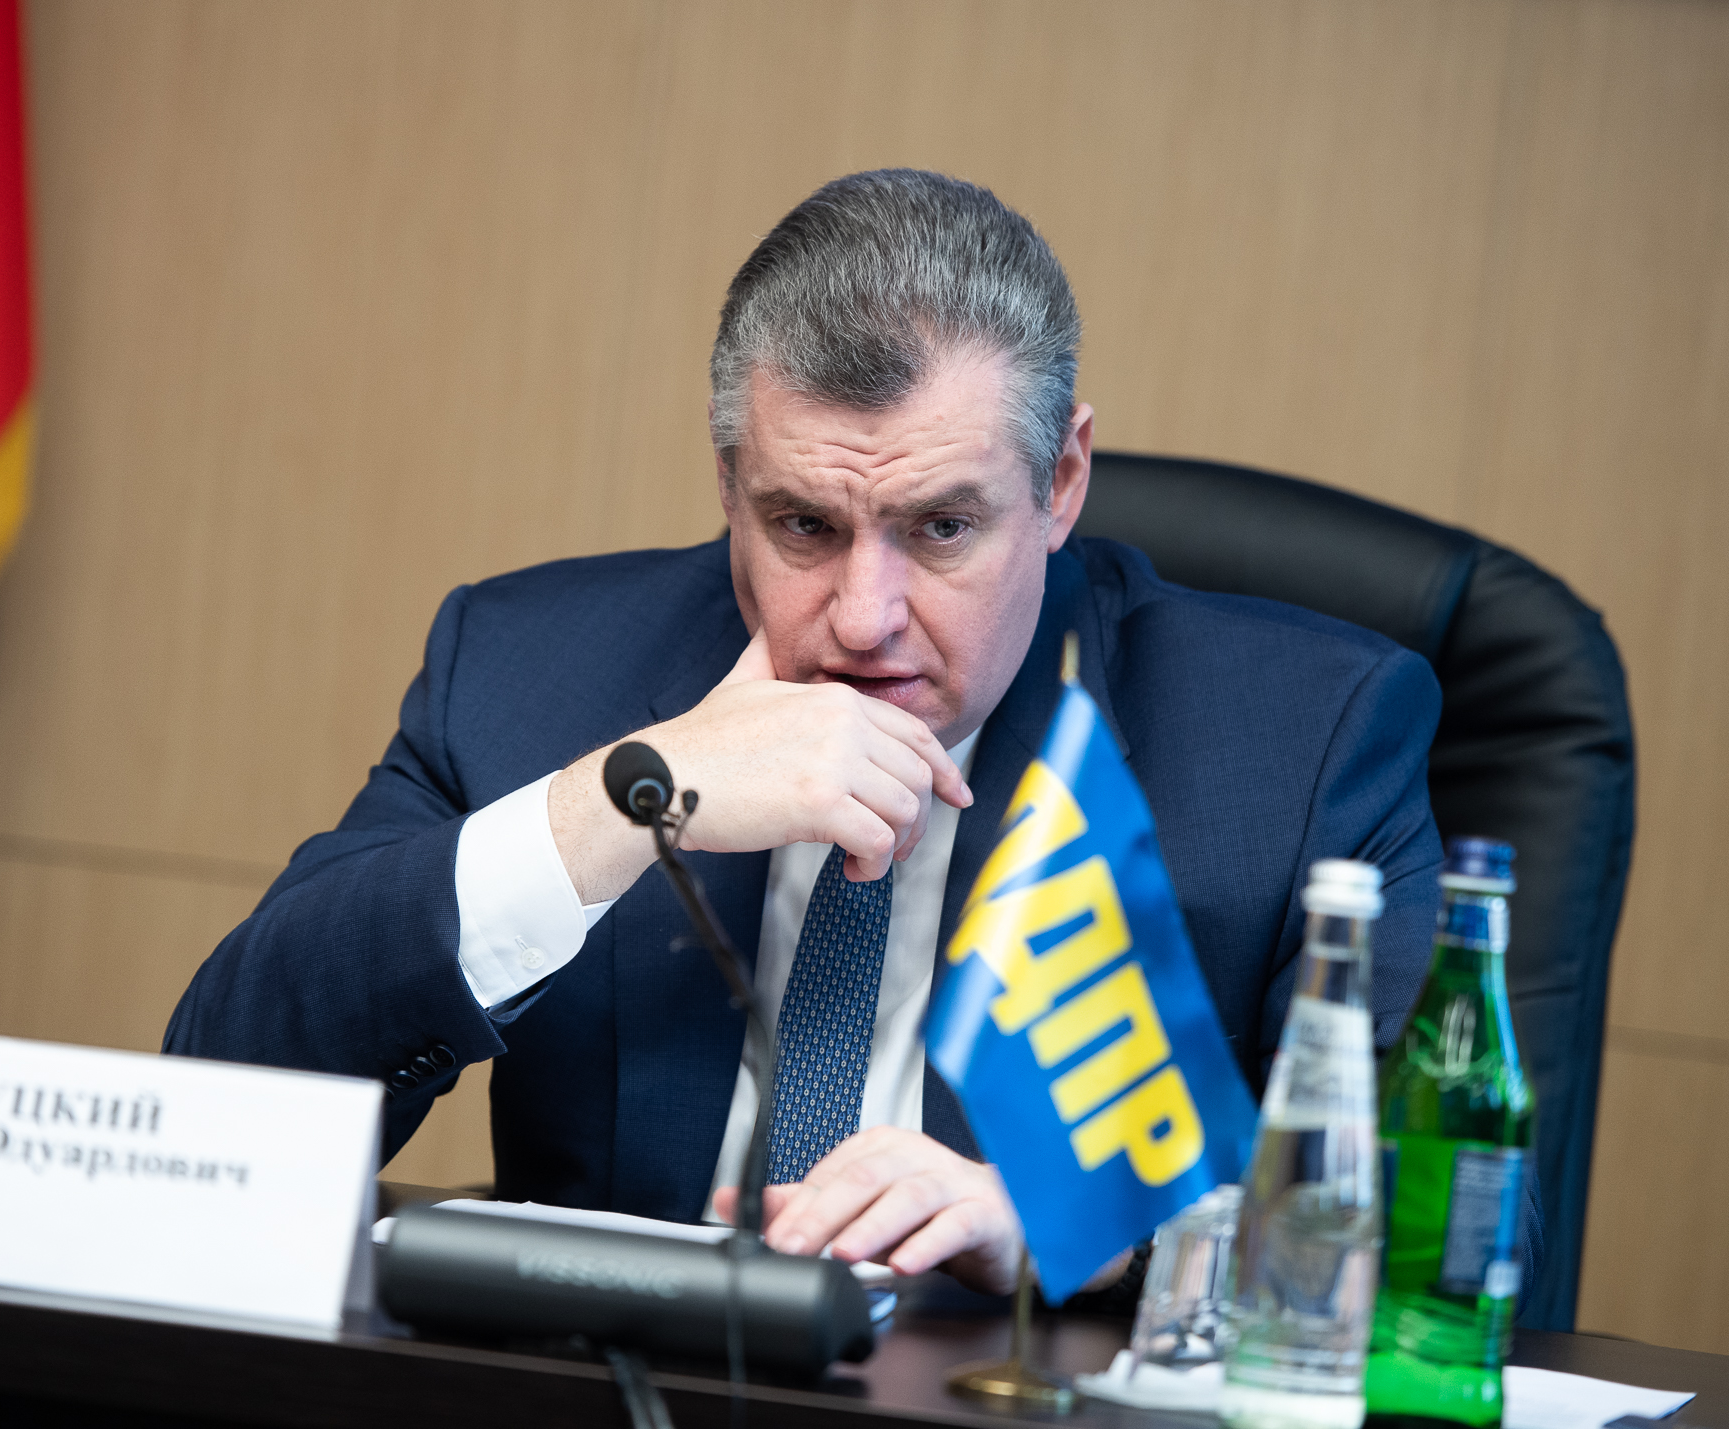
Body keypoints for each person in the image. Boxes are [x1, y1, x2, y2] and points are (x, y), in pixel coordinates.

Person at [164, 169, 1450, 1298]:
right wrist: (617, 804)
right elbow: (220, 1100)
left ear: (1060, 482)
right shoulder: (528, 672)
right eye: (802, 526)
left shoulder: (1297, 746)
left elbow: (1429, 1242)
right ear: (729, 482)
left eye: (940, 528)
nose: (862, 616)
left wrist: (1081, 1228)